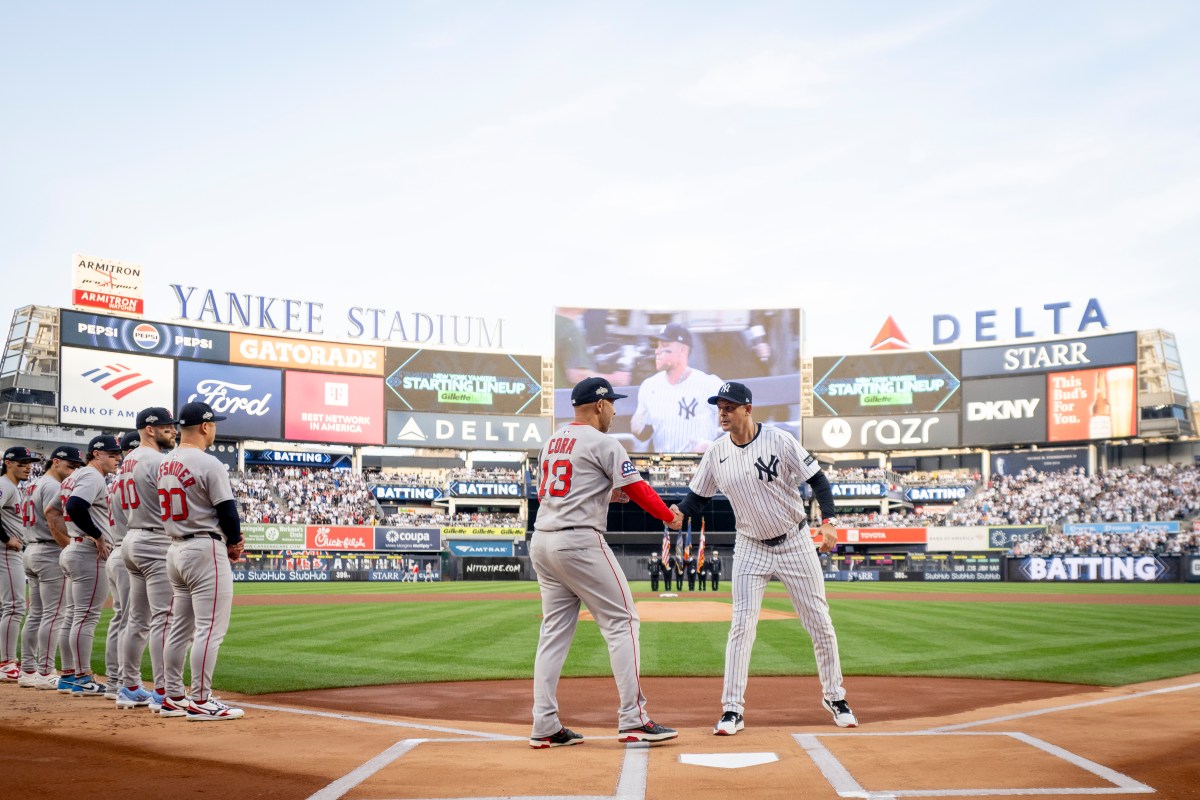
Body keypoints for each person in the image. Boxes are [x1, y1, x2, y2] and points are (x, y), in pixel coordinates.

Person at [672, 382, 858, 735]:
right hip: (750, 547)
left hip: (795, 542)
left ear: (748, 409)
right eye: (719, 407)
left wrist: (830, 522)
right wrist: (679, 513)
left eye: (729, 407)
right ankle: (732, 710)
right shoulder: (716, 452)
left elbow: (818, 480)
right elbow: (696, 499)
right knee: (741, 626)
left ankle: (835, 697)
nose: (723, 413)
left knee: (819, 622)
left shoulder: (779, 440)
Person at [529, 377, 682, 748]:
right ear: (598, 405)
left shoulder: (552, 441)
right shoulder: (603, 442)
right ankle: (633, 718)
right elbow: (639, 489)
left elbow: (546, 492)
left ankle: (544, 723)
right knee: (623, 621)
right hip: (579, 541)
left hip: (543, 541)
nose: (614, 409)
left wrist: (600, 494)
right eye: (611, 403)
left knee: (553, 633)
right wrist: (669, 517)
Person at [158, 401, 246, 721]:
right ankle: (200, 699)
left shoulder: (165, 462)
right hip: (203, 548)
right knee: (209, 630)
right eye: (215, 424)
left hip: (175, 550)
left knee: (180, 628)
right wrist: (234, 543)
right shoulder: (210, 463)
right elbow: (227, 511)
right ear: (205, 427)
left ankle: (173, 696)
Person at [117, 406, 179, 712]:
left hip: (131, 538)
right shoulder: (157, 460)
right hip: (154, 540)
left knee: (137, 619)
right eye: (167, 427)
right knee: (163, 619)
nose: (173, 430)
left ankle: (129, 686)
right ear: (149, 429)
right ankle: (165, 690)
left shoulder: (128, 459)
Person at [17, 446, 84, 689]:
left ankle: (28, 670)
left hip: (32, 549)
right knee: (54, 615)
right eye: (70, 465)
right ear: (55, 462)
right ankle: (45, 672)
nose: (74, 470)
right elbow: (55, 521)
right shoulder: (53, 486)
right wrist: (70, 547)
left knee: (36, 614)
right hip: (48, 550)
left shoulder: (33, 484)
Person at [58, 435, 120, 697]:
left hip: (74, 546)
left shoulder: (74, 476)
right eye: (112, 454)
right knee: (85, 617)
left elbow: (53, 511)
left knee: (73, 616)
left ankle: (69, 675)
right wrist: (96, 535)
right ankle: (83, 677)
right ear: (97, 454)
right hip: (86, 551)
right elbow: (74, 506)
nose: (118, 458)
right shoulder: (93, 476)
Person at [631, 323, 724, 453]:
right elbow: (644, 434)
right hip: (664, 469)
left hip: (701, 468)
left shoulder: (710, 385)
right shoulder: (650, 386)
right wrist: (637, 428)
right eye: (657, 346)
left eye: (664, 346)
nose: (657, 351)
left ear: (682, 351)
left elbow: (742, 424)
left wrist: (712, 446)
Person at [101, 430, 141, 700]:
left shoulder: (117, 481)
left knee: (120, 619)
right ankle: (124, 684)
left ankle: (115, 681)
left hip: (117, 551)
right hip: (128, 552)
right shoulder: (137, 477)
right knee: (130, 620)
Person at [1, 446, 39, 683]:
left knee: (9, 607)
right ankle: (6, 663)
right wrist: (6, 539)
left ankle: (6, 660)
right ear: (8, 463)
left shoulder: (11, 486)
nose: (28, 466)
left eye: (29, 462)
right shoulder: (4, 485)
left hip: (9, 551)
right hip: (5, 551)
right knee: (14, 606)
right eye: (23, 462)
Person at [554, 308, 631, 387]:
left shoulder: (553, 323)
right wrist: (614, 379)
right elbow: (577, 375)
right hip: (565, 397)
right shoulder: (570, 330)